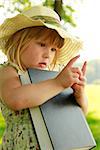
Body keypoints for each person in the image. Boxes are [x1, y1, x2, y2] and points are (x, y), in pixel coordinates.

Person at [0, 5, 88, 150]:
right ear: (19, 43)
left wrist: (79, 95)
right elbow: (15, 99)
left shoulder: (53, 77)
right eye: (42, 44)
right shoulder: (10, 71)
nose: (48, 55)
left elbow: (78, 116)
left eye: (53, 49)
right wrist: (58, 84)